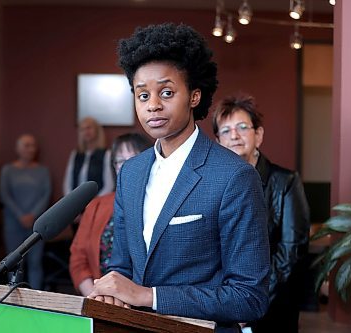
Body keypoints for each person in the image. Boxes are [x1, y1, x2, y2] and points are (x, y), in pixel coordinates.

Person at [88, 23, 270, 330]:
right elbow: (121, 265)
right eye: (142, 95)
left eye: (167, 92)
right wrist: (110, 292)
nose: (153, 105)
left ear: (194, 96)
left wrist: (150, 296)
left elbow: (249, 297)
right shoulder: (130, 173)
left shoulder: (234, 176)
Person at [213, 94, 310, 333]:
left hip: (273, 304)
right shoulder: (213, 185)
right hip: (223, 305)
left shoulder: (285, 181)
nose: (233, 135)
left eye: (242, 127)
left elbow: (291, 252)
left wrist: (250, 300)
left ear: (258, 135)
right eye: (225, 130)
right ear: (217, 141)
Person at [69, 133, 151, 296]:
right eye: (120, 160)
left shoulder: (162, 204)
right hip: (101, 299)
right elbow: (78, 258)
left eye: (134, 158)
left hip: (147, 303)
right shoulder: (97, 205)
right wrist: (96, 299)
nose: (127, 165)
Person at [0, 134, 51, 289]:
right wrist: (20, 215)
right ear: (18, 148)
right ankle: (12, 301)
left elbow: (46, 195)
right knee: (13, 263)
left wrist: (33, 215)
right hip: (13, 223)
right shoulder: (8, 170)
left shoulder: (43, 171)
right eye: (26, 145)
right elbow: (4, 194)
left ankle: (35, 303)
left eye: (33, 145)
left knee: (35, 263)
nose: (30, 149)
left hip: (36, 225)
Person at [63, 116, 114, 197]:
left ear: (97, 131)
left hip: (97, 202)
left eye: (89, 128)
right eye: (82, 129)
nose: (86, 132)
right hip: (75, 202)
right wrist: (70, 201)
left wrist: (95, 202)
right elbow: (67, 183)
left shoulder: (106, 154)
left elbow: (109, 185)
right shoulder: (75, 154)